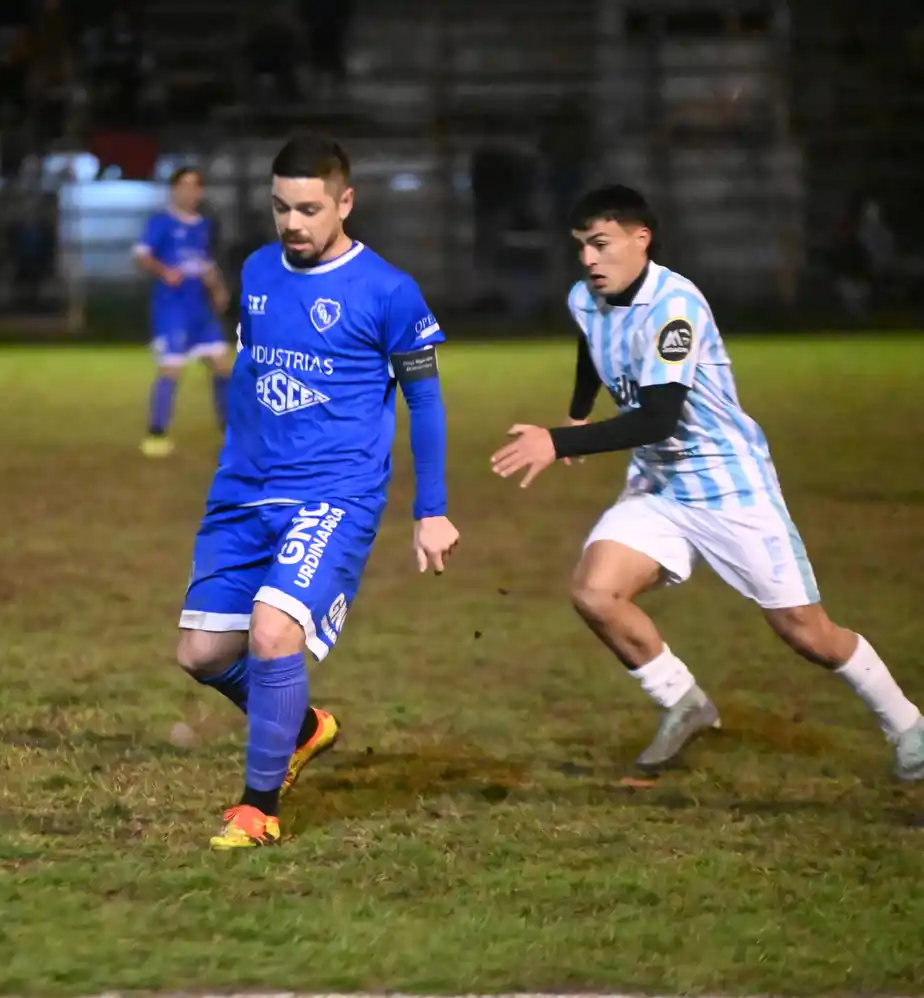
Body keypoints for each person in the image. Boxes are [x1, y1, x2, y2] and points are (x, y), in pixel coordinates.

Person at [489, 184, 924, 780]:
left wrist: (556, 441)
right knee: (595, 592)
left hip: (727, 484)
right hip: (659, 483)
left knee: (807, 632)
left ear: (640, 239)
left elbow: (658, 419)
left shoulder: (675, 307)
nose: (588, 259)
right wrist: (578, 412)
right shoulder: (585, 297)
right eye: (581, 246)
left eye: (601, 244)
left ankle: (908, 725)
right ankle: (683, 701)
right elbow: (592, 346)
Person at [174, 133, 461, 849]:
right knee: (202, 654)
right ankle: (301, 728)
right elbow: (251, 372)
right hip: (245, 491)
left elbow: (425, 402)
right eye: (281, 208)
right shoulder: (257, 270)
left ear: (345, 203)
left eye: (308, 209)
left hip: (335, 493)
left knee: (275, 634)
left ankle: (258, 808)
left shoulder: (388, 291)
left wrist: (431, 510)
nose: (292, 223)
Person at [133, 167, 232, 457]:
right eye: (185, 186)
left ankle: (230, 431)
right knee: (172, 368)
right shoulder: (161, 221)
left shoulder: (203, 226)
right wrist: (164, 271)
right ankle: (156, 434)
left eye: (195, 187)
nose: (190, 192)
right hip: (172, 308)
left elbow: (205, 263)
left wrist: (218, 289)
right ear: (174, 190)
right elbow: (141, 255)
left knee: (223, 365)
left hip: (199, 308)